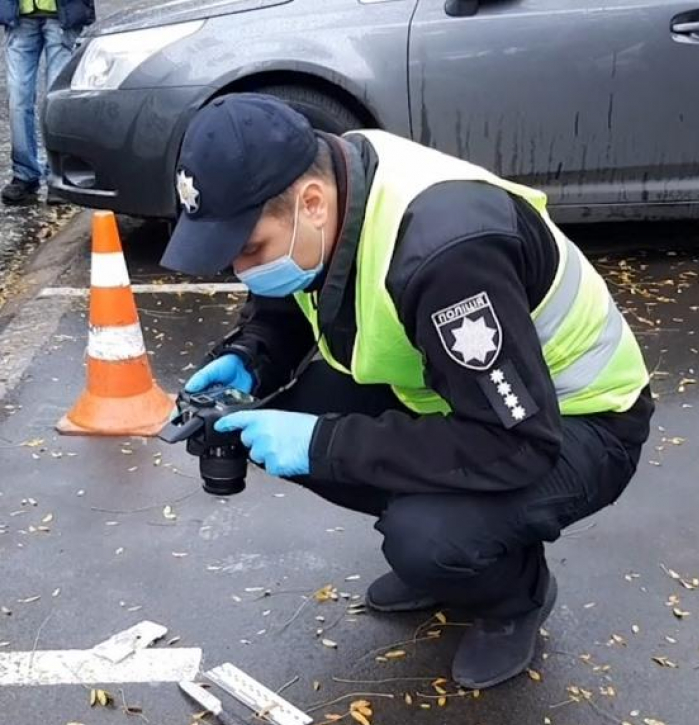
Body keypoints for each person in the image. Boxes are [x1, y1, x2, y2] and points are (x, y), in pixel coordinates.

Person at [160, 94, 655, 690]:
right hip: (455, 396)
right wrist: (252, 357)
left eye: (249, 250)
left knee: (428, 537)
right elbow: (289, 297)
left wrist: (327, 444)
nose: (242, 270)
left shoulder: (449, 257)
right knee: (272, 419)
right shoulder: (336, 182)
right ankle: (456, 561)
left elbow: (514, 443)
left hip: (579, 422)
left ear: (311, 204)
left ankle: (511, 595)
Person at [0, 0, 94, 205]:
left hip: (61, 16)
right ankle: (24, 175)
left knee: (57, 101)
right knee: (18, 99)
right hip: (20, 16)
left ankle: (58, 175)